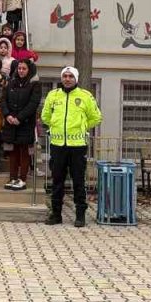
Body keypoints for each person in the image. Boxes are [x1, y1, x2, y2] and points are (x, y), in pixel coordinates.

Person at [40, 66, 103, 227]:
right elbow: (45, 116)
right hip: (58, 145)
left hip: (78, 146)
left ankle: (80, 215)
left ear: (76, 79)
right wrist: (54, 127)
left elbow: (96, 117)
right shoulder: (53, 95)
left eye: (70, 76)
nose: (67, 79)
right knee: (57, 180)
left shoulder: (85, 96)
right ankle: (56, 214)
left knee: (78, 181)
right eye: (65, 76)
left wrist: (82, 126)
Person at [2, 59, 39, 191]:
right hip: (11, 123)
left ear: (29, 70)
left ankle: (22, 179)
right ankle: (13, 178)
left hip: (25, 124)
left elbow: (33, 104)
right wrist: (8, 115)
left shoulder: (34, 85)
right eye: (19, 68)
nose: (21, 71)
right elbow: (3, 100)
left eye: (24, 68)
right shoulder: (11, 83)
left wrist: (20, 118)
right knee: (13, 152)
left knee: (24, 152)